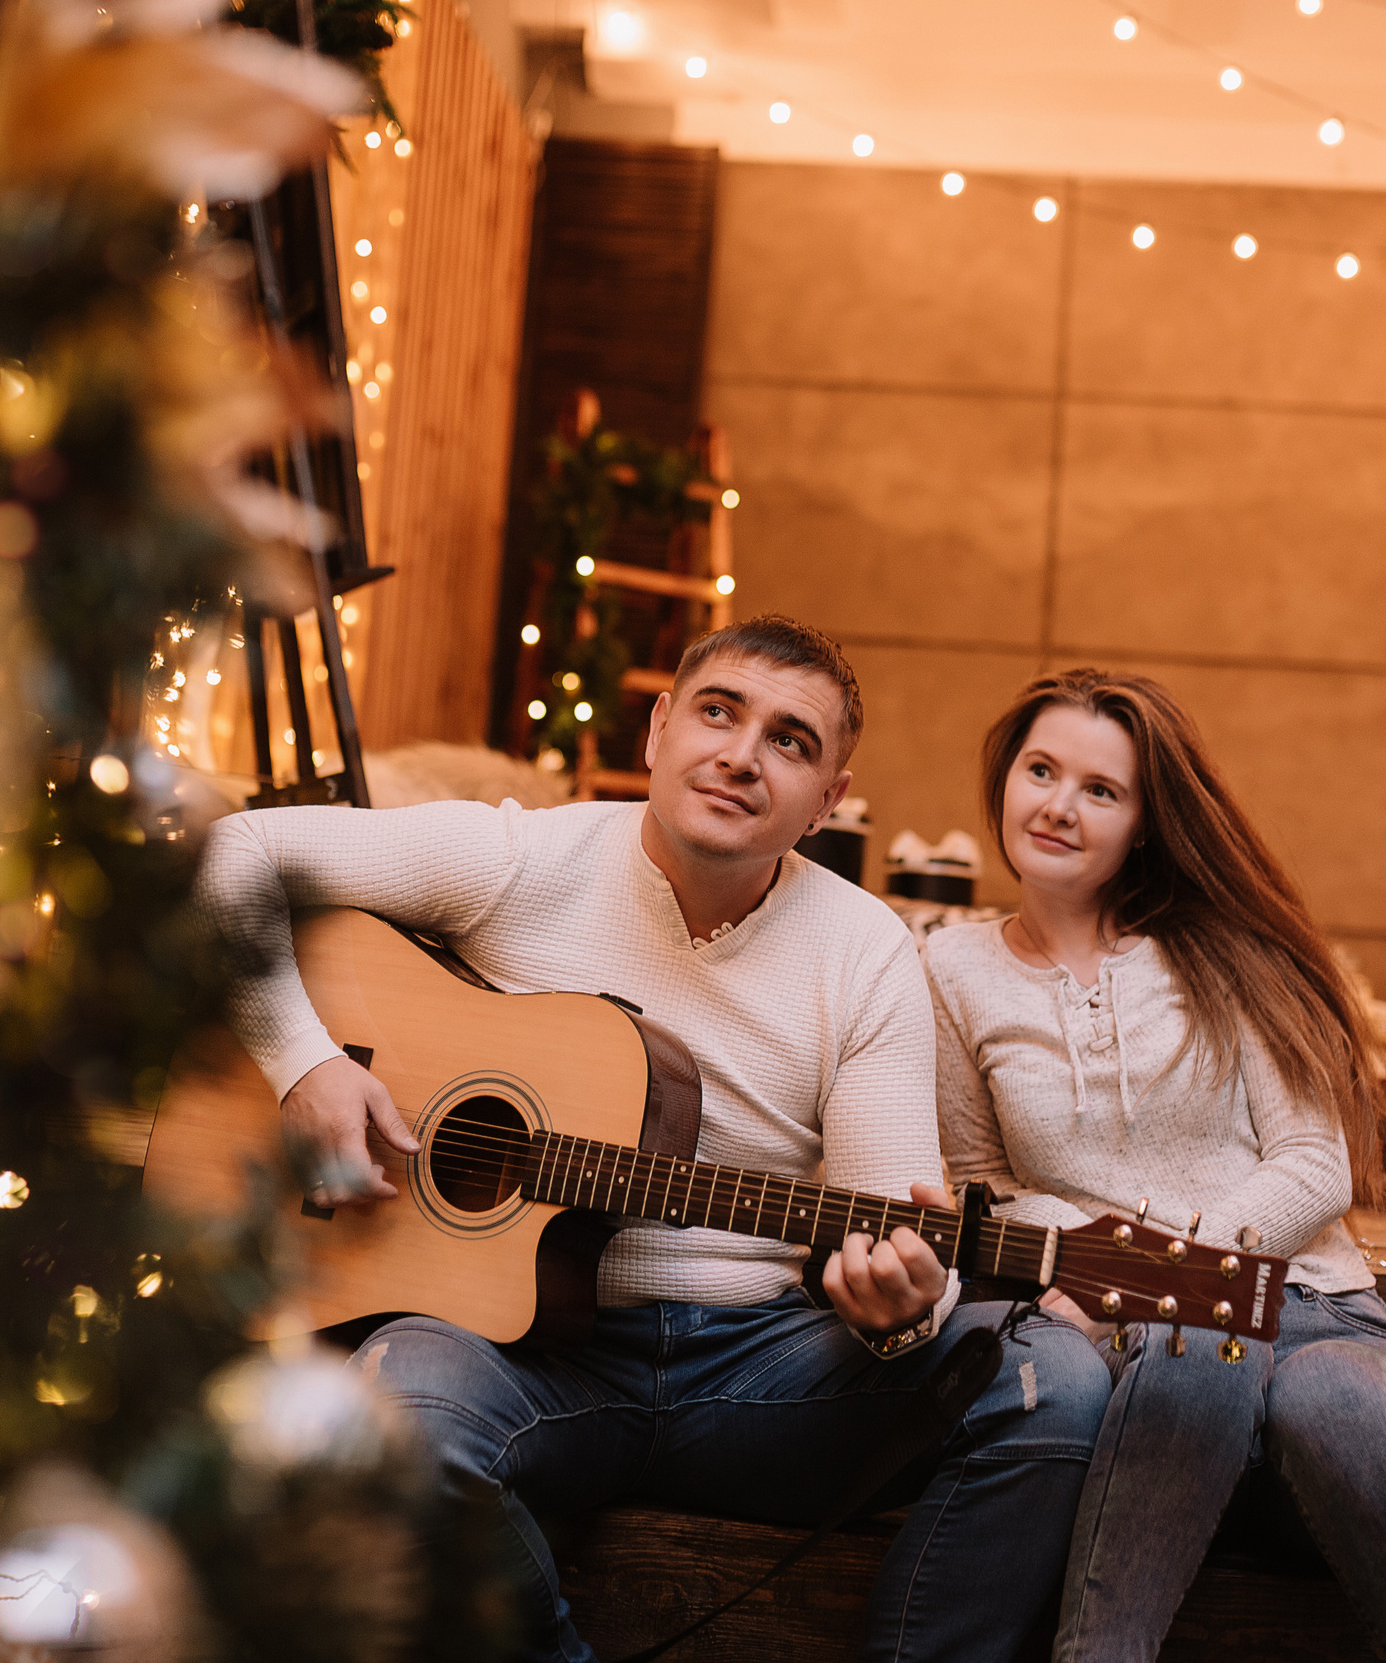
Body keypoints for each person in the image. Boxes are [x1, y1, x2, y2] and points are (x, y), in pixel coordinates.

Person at [195, 615, 1110, 1663]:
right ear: (659, 728)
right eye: (719, 713)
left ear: (828, 800)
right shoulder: (520, 856)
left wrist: (900, 1314)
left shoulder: (867, 950)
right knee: (390, 1424)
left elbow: (889, 1222)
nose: (741, 755)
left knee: (1051, 1382)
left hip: (757, 1369)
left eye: (790, 741)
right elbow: (234, 854)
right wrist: (305, 1064)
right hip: (518, 1354)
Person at [923, 668, 1386, 1663]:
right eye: (1040, 771)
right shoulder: (951, 967)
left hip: (1326, 1337)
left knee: (1315, 1387)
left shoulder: (1223, 951)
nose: (1058, 806)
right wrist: (1134, 1285)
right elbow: (985, 1187)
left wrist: (1156, 1272)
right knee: (1199, 1338)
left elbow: (1315, 1162)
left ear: (1145, 825)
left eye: (1100, 790)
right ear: (1004, 780)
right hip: (1160, 1378)